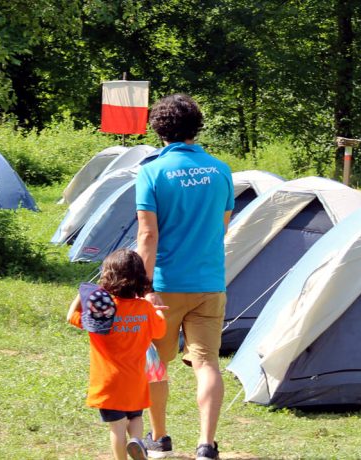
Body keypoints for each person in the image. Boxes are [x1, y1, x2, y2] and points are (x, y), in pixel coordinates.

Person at [135, 94, 234, 460]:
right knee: (207, 363)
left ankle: (159, 438)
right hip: (209, 283)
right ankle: (206, 445)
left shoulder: (151, 172)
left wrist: (143, 288)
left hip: (164, 285)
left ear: (158, 128)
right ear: (197, 126)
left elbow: (147, 236)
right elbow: (220, 228)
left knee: (156, 363)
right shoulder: (221, 169)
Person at [67, 248, 167, 460]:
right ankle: (137, 440)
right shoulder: (144, 308)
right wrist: (157, 310)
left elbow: (71, 316)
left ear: (107, 278)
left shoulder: (100, 313)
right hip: (136, 380)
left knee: (117, 426)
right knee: (136, 418)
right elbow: (160, 330)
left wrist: (85, 292)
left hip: (109, 383)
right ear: (141, 278)